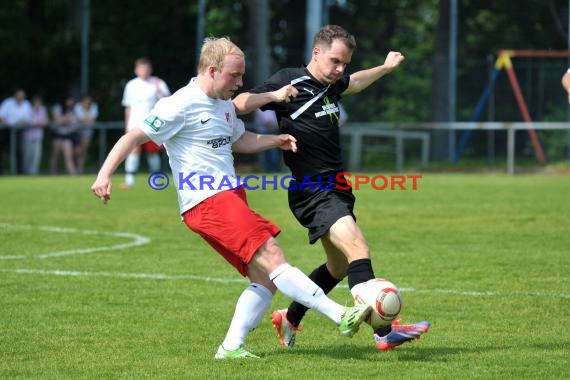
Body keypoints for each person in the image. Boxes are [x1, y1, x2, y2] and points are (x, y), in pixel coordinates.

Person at [91, 37, 371, 359]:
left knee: (265, 279)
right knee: (273, 254)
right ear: (212, 70)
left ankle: (231, 348)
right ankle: (341, 315)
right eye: (234, 77)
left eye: (241, 77)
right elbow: (134, 135)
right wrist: (104, 174)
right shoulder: (178, 104)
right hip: (207, 199)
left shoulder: (223, 106)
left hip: (227, 197)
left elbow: (239, 140)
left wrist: (274, 140)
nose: (240, 85)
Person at [233, 25, 430, 351]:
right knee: (358, 249)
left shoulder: (333, 84)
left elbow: (354, 83)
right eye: (335, 61)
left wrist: (385, 67)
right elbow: (241, 102)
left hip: (336, 186)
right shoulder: (289, 79)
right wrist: (274, 96)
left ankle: (289, 317)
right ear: (316, 53)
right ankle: (384, 332)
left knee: (338, 266)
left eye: (345, 63)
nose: (340, 69)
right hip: (313, 189)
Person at [120, 57, 171, 188]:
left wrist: (158, 88)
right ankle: (129, 181)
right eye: (142, 68)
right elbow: (128, 107)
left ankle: (156, 180)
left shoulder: (158, 83)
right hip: (134, 123)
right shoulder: (131, 85)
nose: (144, 71)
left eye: (147, 68)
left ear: (150, 70)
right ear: (136, 70)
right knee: (133, 150)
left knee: (152, 152)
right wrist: (127, 126)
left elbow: (169, 102)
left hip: (152, 123)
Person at [0, 89, 33, 174]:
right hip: (5, 129)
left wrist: (22, 123)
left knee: (19, 150)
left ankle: (20, 172)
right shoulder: (8, 103)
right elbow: (1, 116)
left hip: (19, 130)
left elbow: (28, 118)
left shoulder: (27, 104)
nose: (20, 97)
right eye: (18, 95)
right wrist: (8, 124)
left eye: (22, 95)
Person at [50, 96, 78, 175]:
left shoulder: (72, 109)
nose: (71, 103)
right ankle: (53, 172)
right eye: (69, 100)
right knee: (55, 156)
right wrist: (66, 119)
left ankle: (73, 173)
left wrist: (64, 119)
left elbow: (74, 122)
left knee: (68, 156)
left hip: (67, 135)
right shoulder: (57, 107)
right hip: (57, 135)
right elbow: (57, 120)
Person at [22, 95, 49, 175]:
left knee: (36, 156)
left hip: (38, 137)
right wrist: (37, 123)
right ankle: (25, 173)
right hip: (28, 137)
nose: (37, 104)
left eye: (39, 103)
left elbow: (46, 122)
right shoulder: (28, 110)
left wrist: (37, 123)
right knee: (27, 156)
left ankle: (33, 173)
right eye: (36, 103)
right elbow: (26, 121)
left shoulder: (43, 110)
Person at [73, 94, 99, 173]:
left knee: (83, 150)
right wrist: (87, 119)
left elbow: (93, 120)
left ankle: (80, 169)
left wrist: (86, 119)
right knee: (77, 151)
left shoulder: (94, 106)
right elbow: (81, 119)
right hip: (77, 131)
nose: (88, 103)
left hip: (87, 131)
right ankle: (75, 167)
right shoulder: (77, 107)